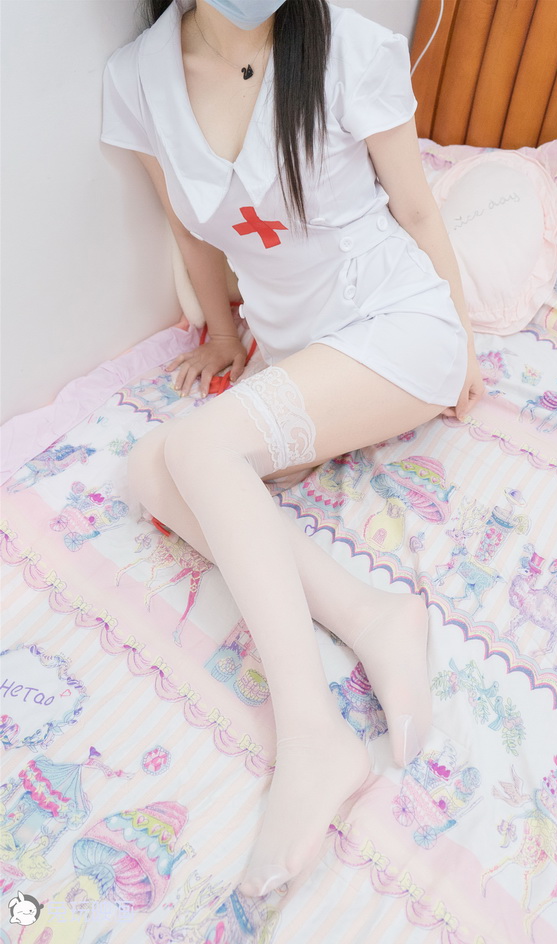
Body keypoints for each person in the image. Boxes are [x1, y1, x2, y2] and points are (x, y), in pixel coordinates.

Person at [100, 0, 485, 898]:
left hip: (396, 325)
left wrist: (464, 342)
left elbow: (417, 209)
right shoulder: (140, 81)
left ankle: (311, 733)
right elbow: (192, 229)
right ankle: (373, 616)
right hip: (296, 351)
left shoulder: (348, 49)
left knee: (199, 448)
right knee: (149, 468)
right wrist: (223, 338)